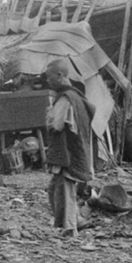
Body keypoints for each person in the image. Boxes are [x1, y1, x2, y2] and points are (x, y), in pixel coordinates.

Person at [45, 58, 96, 237]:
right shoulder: (77, 96)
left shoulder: (66, 99)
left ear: (60, 75)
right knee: (57, 187)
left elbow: (56, 125)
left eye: (49, 77)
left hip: (68, 151)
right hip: (77, 148)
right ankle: (78, 220)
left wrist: (48, 118)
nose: (47, 81)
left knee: (64, 190)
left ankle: (70, 229)